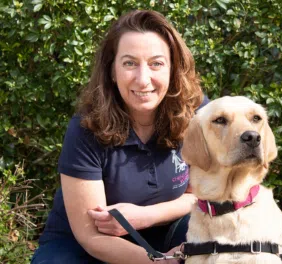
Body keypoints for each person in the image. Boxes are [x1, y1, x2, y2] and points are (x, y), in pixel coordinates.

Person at [31, 9, 209, 264]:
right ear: (112, 72)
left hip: (169, 233)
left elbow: (201, 195)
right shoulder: (86, 128)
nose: (143, 79)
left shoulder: (199, 114)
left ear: (173, 69)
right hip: (84, 246)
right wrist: (158, 262)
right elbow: (90, 235)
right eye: (129, 63)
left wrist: (145, 216)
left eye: (156, 63)